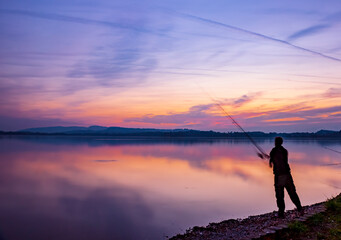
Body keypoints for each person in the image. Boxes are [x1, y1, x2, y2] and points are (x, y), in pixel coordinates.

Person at [266, 137, 303, 218]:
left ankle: (281, 213)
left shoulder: (274, 151)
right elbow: (275, 159)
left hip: (280, 176)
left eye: (275, 141)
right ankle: (300, 209)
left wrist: (270, 159)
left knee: (280, 196)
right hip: (287, 174)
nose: (275, 143)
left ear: (276, 142)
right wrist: (270, 158)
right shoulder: (284, 151)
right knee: (292, 193)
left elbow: (272, 162)